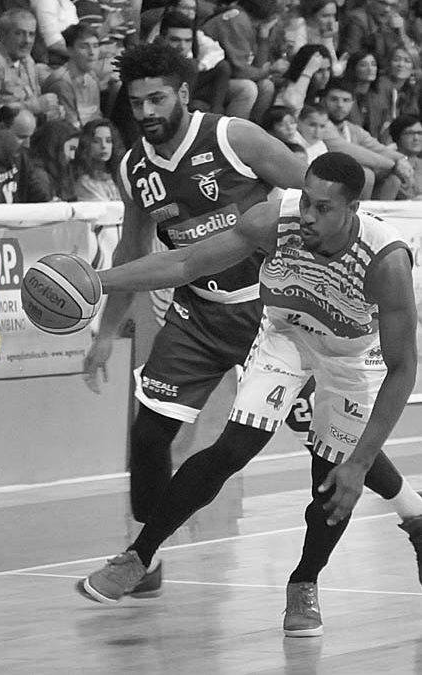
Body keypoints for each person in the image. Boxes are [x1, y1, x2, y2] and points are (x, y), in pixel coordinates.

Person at [76, 151, 422, 638]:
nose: (308, 215)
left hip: (351, 357)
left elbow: (403, 369)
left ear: (353, 209)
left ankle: (304, 582)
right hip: (287, 336)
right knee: (231, 449)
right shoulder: (271, 222)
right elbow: (185, 262)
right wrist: (96, 281)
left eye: (323, 208)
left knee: (331, 477)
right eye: (306, 201)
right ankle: (139, 556)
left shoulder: (386, 261)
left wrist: (361, 462)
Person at [82, 42, 305, 541]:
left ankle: (410, 511)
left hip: (270, 310)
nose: (146, 112)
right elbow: (131, 256)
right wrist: (106, 334)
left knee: (324, 434)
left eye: (157, 99)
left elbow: (318, 196)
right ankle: (143, 557)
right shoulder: (133, 169)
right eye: (136, 103)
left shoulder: (234, 137)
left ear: (183, 94)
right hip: (199, 314)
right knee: (148, 436)